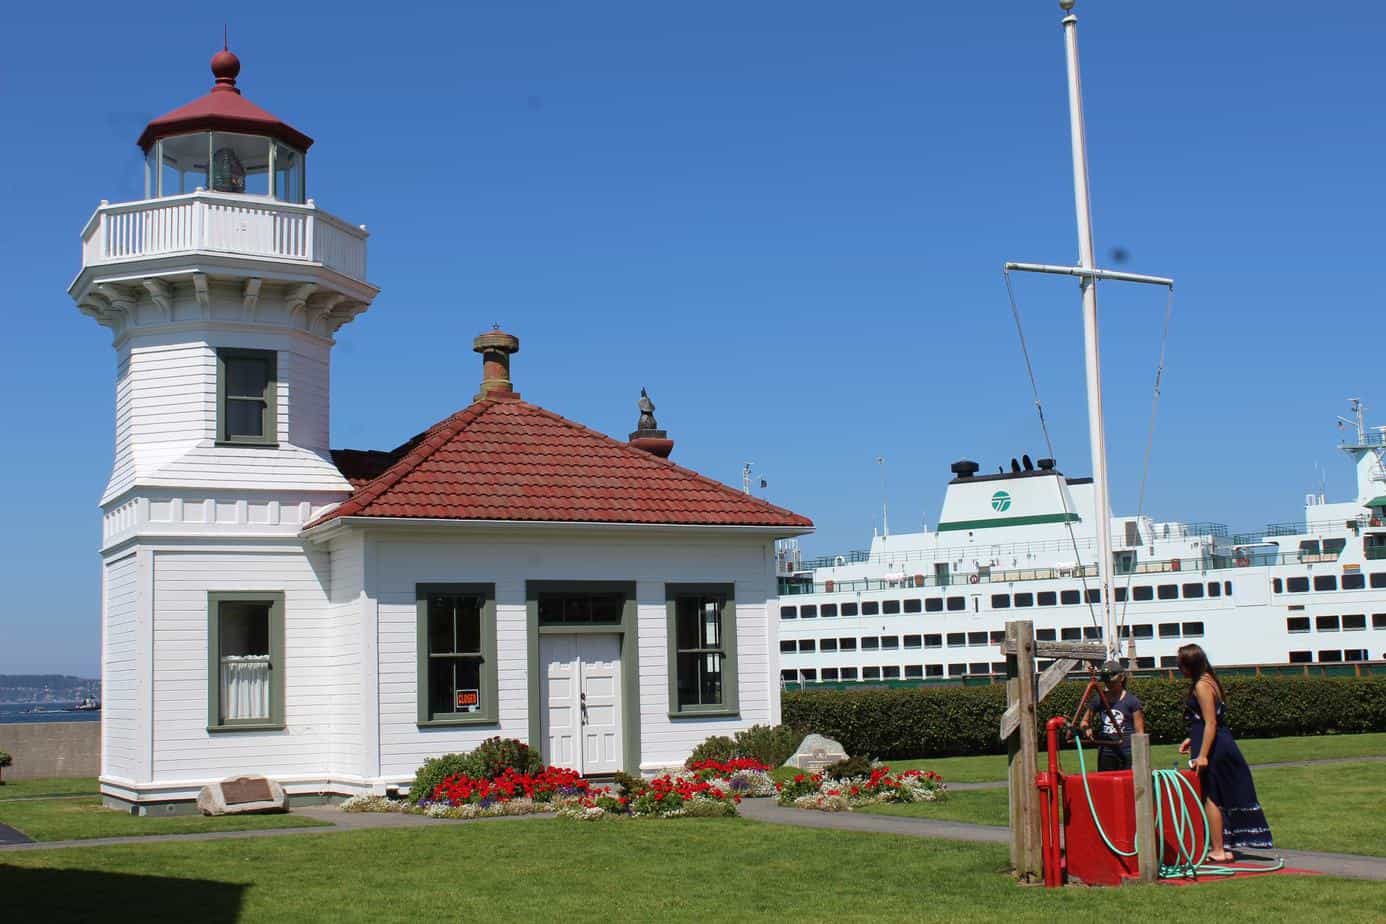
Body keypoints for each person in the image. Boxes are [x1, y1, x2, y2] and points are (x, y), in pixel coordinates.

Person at [1177, 643, 1273, 860]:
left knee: (1210, 796)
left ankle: (1218, 849)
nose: (1179, 669)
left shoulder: (1202, 685)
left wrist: (1202, 754)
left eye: (1180, 665)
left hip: (1215, 747)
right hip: (1216, 742)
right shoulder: (1210, 680)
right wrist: (1192, 739)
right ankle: (1225, 846)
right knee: (1218, 794)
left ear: (1189, 665)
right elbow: (1209, 721)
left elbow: (1211, 723)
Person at [1079, 659, 1145, 771]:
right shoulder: (1099, 700)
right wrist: (1086, 728)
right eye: (1106, 682)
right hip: (1106, 751)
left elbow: (1140, 732)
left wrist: (1139, 756)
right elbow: (1084, 722)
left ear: (1121, 678)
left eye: (1112, 682)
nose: (1109, 685)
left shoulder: (1132, 701)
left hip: (1127, 750)